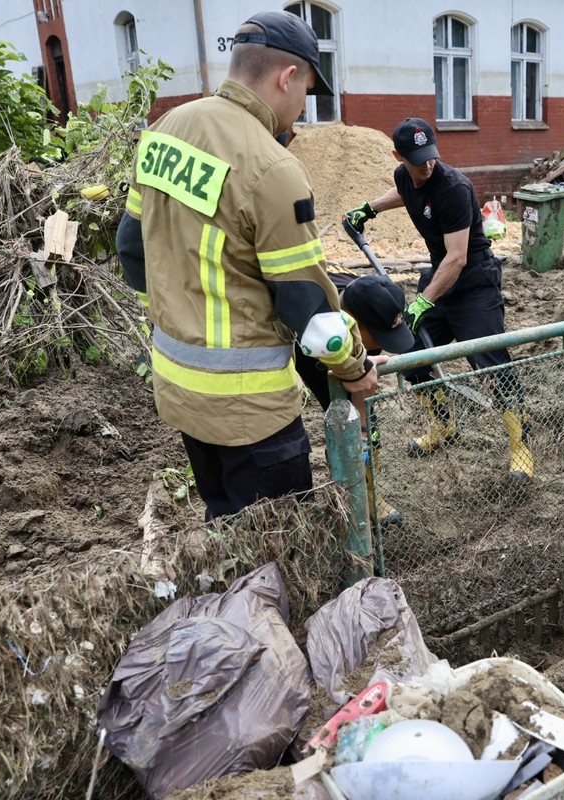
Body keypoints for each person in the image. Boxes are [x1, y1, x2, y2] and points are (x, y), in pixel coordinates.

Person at [115, 10, 382, 520]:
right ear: (287, 76)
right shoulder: (273, 167)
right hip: (252, 413)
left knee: (224, 522)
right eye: (306, 92)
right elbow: (307, 308)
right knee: (276, 547)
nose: (301, 110)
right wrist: (355, 369)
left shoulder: (164, 131)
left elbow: (131, 246)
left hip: (178, 389)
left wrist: (172, 313)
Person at [344, 118, 534, 484]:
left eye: (431, 156)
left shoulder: (454, 188)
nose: (428, 164)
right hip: (439, 277)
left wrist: (422, 303)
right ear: (399, 156)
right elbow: (406, 191)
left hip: (473, 280)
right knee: (412, 353)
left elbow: (457, 258)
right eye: (418, 160)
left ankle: (520, 445)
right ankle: (443, 425)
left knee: (490, 360)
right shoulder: (405, 175)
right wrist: (369, 209)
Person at [295, 270, 414, 526]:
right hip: (299, 346)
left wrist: (363, 432)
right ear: (354, 325)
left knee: (365, 422)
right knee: (339, 414)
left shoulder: (369, 304)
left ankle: (367, 493)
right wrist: (355, 433)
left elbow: (363, 390)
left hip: (343, 339)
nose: (384, 344)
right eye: (379, 336)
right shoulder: (311, 325)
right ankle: (347, 493)